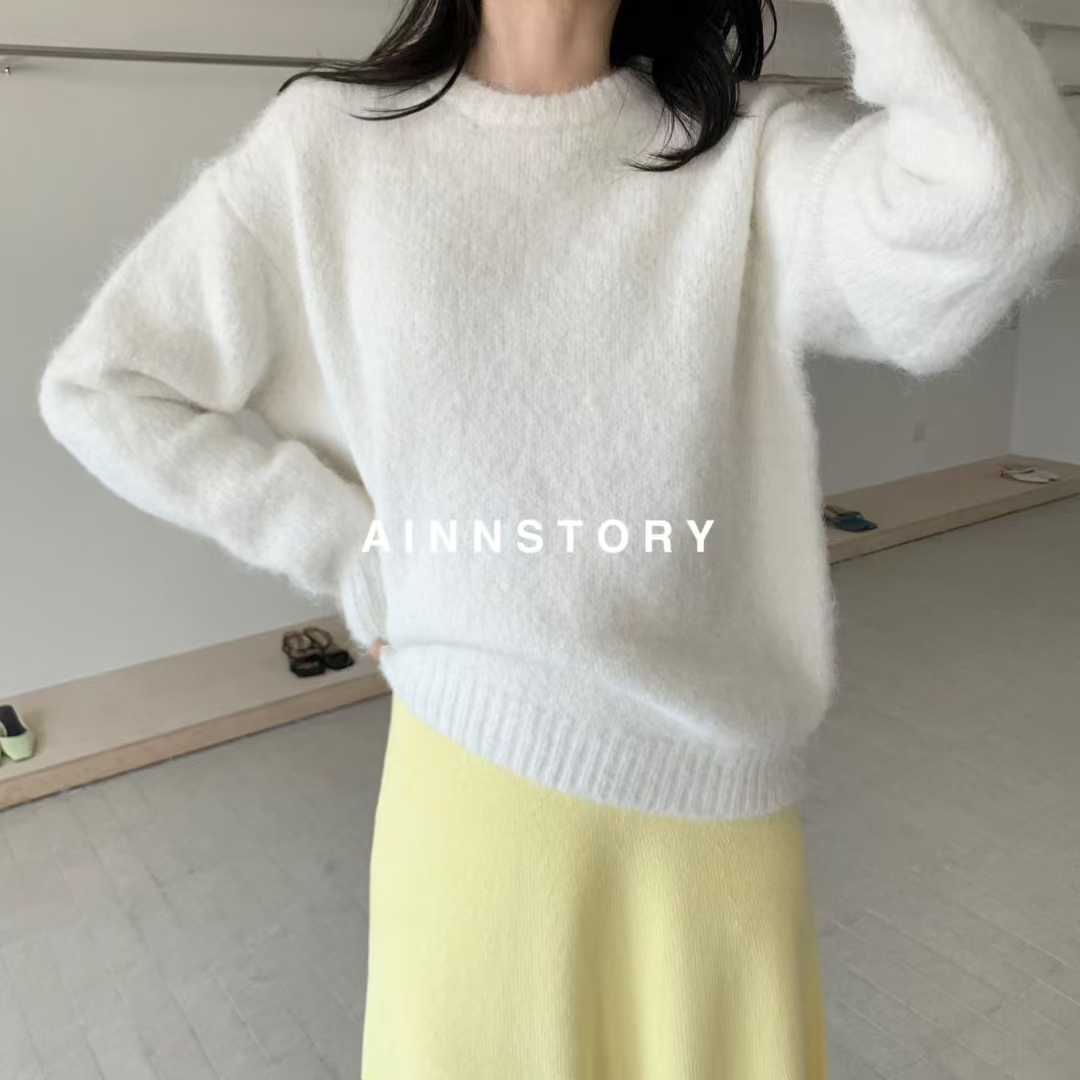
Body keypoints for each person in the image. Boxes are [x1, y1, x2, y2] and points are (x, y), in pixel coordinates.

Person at [37, 0, 1080, 1076]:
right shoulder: (330, 144)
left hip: (716, 812)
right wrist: (353, 550)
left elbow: (1000, 204)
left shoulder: (745, 157)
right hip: (478, 792)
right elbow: (106, 385)